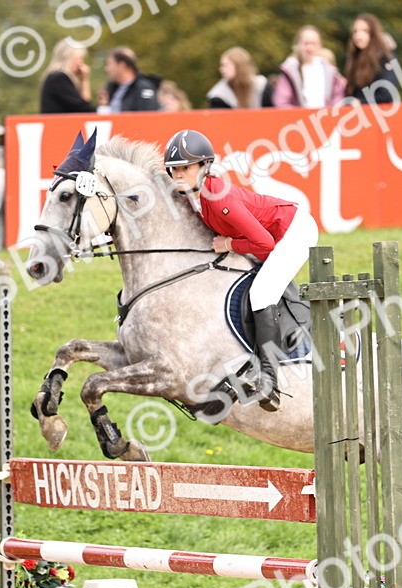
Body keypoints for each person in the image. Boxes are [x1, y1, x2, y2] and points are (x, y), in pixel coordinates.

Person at [162, 129, 319, 411]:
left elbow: (265, 244)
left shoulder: (217, 197)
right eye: (174, 169)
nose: (178, 175)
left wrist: (229, 243)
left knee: (261, 293)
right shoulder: (193, 195)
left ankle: (269, 381)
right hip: (271, 236)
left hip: (293, 232)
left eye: (185, 168)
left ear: (204, 167)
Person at [271, 26, 345, 109]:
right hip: (299, 119)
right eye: (306, 43)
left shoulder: (329, 71)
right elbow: (281, 102)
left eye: (313, 43)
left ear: (320, 45)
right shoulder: (290, 71)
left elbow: (338, 98)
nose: (309, 48)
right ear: (298, 45)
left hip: (326, 118)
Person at [343, 14, 397, 104]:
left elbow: (386, 95)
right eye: (355, 31)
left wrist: (360, 102)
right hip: (356, 114)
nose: (358, 36)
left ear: (373, 33)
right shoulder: (352, 58)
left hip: (381, 113)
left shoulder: (386, 57)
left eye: (365, 31)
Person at [40, 40, 94, 114]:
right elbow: (84, 109)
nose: (81, 62)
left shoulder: (55, 78)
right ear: (70, 58)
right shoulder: (59, 79)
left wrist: (83, 79)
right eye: (79, 58)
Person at [102, 47, 161, 112]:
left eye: (110, 64)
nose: (107, 69)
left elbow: (148, 115)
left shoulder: (144, 88)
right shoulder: (112, 88)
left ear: (122, 65)